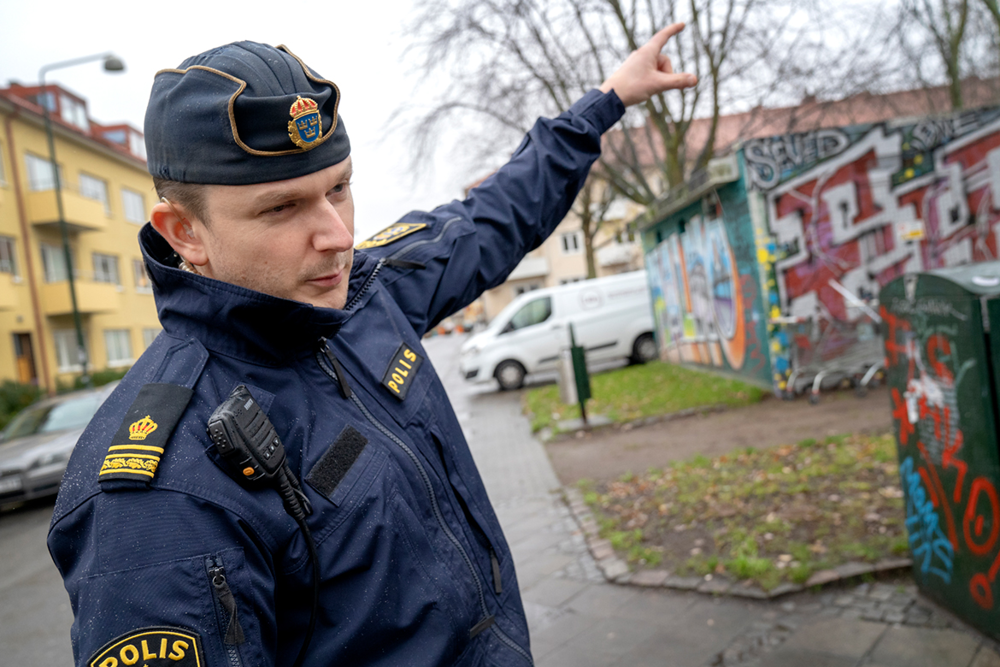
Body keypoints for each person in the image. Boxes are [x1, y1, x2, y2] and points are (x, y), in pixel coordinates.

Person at [48, 28, 695, 667]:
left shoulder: (360, 296)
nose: (336, 235)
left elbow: (492, 216)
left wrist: (608, 98)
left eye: (339, 187)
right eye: (282, 208)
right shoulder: (157, 496)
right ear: (185, 231)